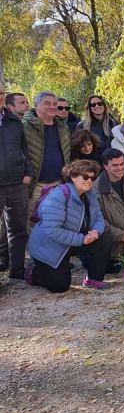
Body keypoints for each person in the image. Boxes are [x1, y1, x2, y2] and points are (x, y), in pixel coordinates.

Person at [26, 159, 113, 292]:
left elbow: (99, 219)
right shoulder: (58, 196)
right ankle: (34, 272)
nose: (89, 181)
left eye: (92, 177)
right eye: (85, 177)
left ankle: (93, 279)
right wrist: (81, 239)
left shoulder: (90, 195)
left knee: (104, 236)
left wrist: (96, 231)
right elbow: (53, 230)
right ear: (72, 177)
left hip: (72, 241)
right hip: (50, 246)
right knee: (60, 287)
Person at [0, 85, 32, 281]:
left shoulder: (14, 120)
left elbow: (24, 148)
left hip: (17, 183)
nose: (0, 97)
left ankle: (17, 274)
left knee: (18, 230)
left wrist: (28, 172)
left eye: (1, 93)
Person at [22, 91, 71, 215]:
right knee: (33, 223)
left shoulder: (62, 126)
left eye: (55, 104)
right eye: (47, 103)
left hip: (59, 183)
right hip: (36, 186)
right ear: (36, 105)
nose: (52, 107)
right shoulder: (24, 126)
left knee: (56, 220)